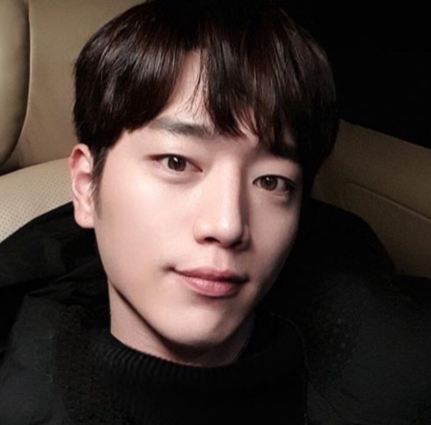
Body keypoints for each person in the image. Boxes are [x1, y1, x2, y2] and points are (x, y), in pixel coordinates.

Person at [0, 0, 338, 423]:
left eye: (271, 181)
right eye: (176, 163)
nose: (227, 226)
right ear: (86, 188)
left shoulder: (382, 382)